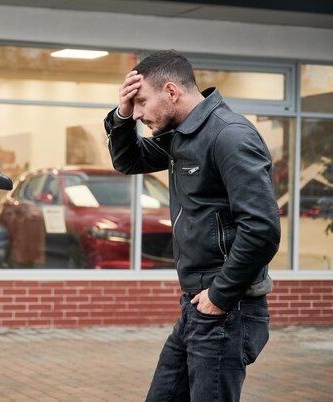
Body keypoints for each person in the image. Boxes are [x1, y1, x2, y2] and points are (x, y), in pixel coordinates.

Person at [103, 50, 281, 401]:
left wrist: (219, 296)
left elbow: (261, 228)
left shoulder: (229, 136)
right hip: (198, 307)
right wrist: (121, 114)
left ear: (171, 92)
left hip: (227, 308)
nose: (138, 114)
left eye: (140, 102)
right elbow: (128, 160)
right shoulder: (184, 136)